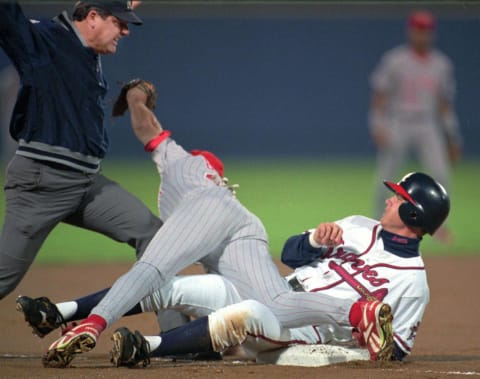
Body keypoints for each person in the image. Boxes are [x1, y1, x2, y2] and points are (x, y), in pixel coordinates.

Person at [38, 80, 393, 367]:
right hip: (244, 224)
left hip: (206, 209)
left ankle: (91, 324)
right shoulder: (218, 185)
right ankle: (360, 311)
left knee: (151, 269)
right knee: (278, 303)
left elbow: (146, 125)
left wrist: (135, 94)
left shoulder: (179, 159)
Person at [17, 170, 450, 366]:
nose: (390, 198)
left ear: (414, 218)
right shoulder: (359, 226)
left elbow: (396, 354)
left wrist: (342, 347)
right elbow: (289, 252)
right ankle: (64, 312)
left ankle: (145, 348)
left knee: (245, 316)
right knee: (175, 285)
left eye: (399, 198)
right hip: (279, 289)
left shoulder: (413, 285)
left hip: (297, 333)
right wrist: (315, 242)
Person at [0, 2, 163, 300]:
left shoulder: (88, 53)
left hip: (87, 186)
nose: (125, 31)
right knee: (3, 278)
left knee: (155, 236)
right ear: (92, 18)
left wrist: (122, 4)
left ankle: (174, 340)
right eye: (119, 22)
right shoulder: (46, 39)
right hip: (41, 183)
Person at [369, 10, 461, 241]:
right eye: (418, 29)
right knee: (387, 174)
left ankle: (438, 223)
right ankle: (375, 223)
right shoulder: (395, 60)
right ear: (411, 31)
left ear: (431, 33)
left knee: (441, 174)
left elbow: (444, 105)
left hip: (428, 124)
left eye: (426, 30)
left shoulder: (441, 64)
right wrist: (378, 124)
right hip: (399, 121)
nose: (422, 34)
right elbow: (380, 96)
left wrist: (452, 137)